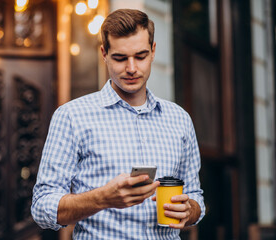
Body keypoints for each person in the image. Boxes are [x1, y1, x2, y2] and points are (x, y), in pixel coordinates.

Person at [31, 8, 205, 239]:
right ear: (104, 54)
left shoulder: (180, 119)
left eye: (140, 56)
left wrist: (190, 210)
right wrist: (101, 198)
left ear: (153, 52)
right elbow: (42, 207)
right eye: (120, 58)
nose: (131, 68)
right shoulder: (72, 116)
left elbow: (195, 196)